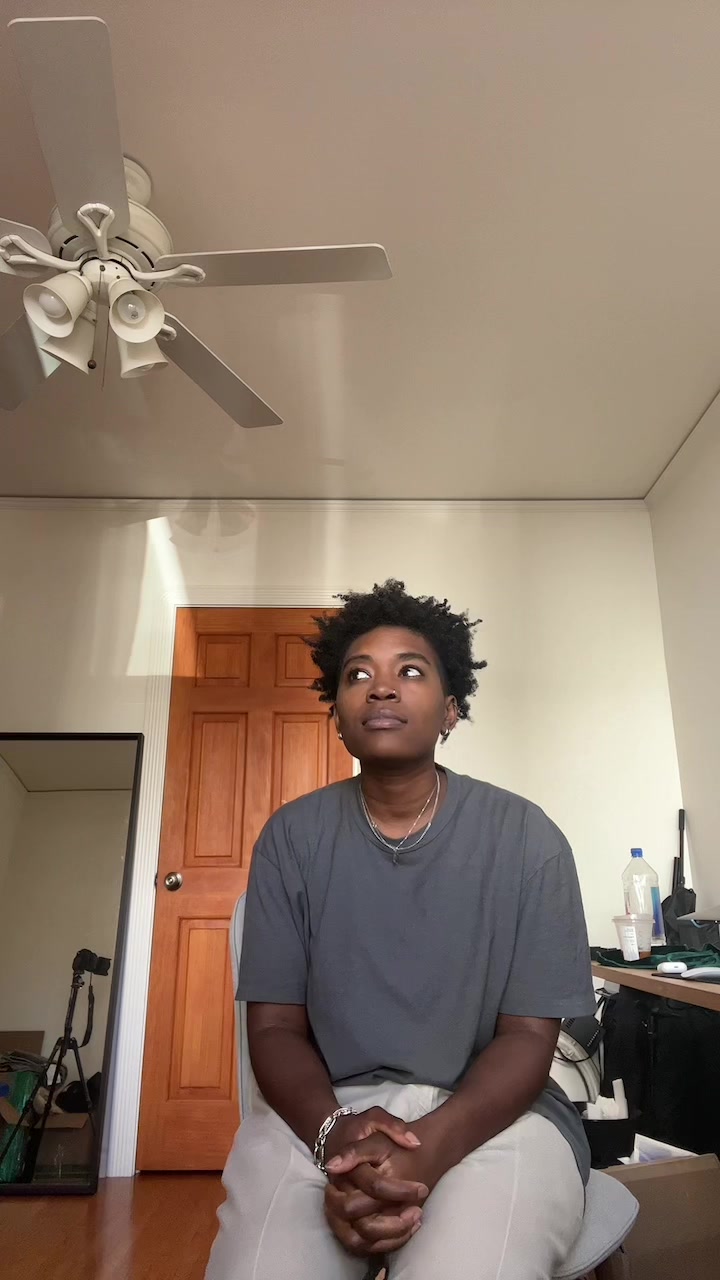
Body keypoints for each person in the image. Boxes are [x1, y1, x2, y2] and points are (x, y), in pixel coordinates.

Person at [205, 580, 596, 1280]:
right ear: (337, 715)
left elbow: (527, 1042)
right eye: (358, 675)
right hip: (324, 1114)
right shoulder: (291, 839)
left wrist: (427, 1149)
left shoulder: (528, 838)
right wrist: (336, 1138)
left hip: (495, 1117)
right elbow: (275, 1030)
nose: (381, 687)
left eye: (410, 671)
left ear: (450, 711)